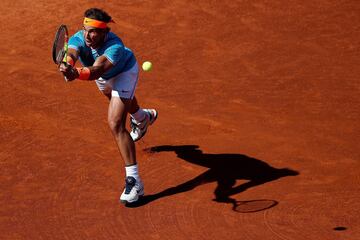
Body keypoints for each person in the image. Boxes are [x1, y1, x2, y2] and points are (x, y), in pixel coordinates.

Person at [59, 8, 157, 204]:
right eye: (86, 29)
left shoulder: (115, 46)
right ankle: (142, 117)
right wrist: (67, 63)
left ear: (105, 32)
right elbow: (71, 52)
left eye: (94, 31)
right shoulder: (81, 37)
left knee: (115, 123)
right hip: (105, 79)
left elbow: (97, 70)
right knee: (122, 104)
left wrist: (76, 73)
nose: (88, 35)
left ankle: (134, 182)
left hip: (124, 73)